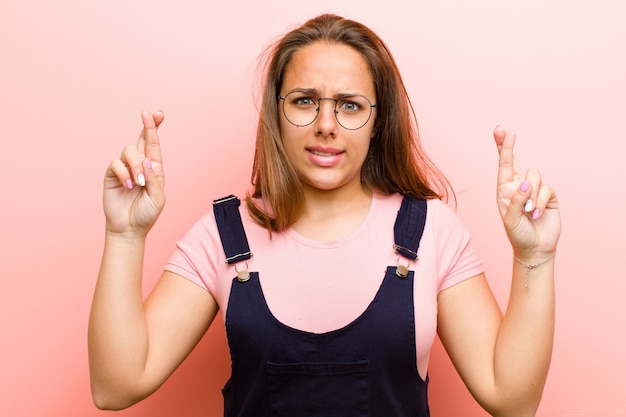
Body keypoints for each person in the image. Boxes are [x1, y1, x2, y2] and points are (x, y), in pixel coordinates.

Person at [88, 13, 560, 417]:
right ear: (277, 113)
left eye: (350, 105)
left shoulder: (432, 230)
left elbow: (511, 399)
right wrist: (125, 235)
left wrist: (534, 256)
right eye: (305, 101)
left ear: (378, 123)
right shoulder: (223, 235)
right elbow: (116, 386)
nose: (326, 125)